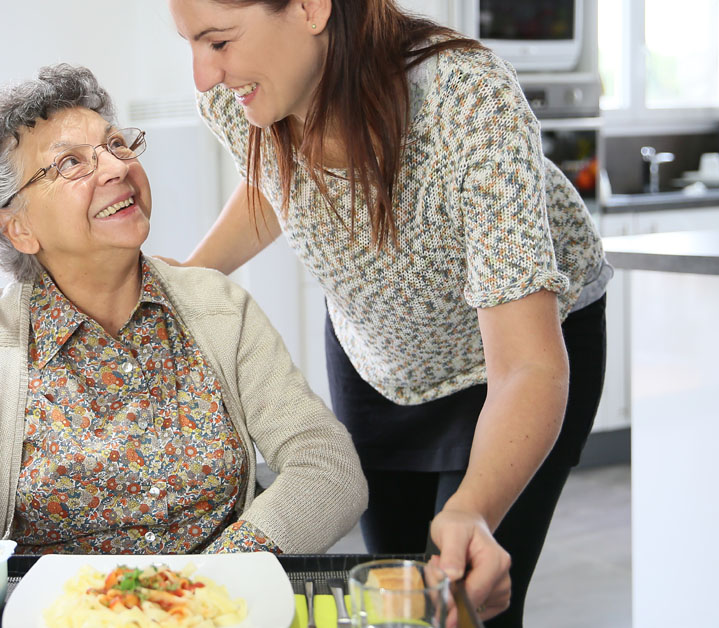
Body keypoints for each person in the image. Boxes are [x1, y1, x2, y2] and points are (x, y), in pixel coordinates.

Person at [0, 63, 368, 628]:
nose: (118, 167)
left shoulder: (220, 309)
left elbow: (330, 468)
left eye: (117, 146)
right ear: (19, 227)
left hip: (218, 611)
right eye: (72, 162)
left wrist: (195, 589)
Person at [164, 1, 611, 625]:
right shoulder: (238, 101)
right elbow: (274, 180)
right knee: (396, 603)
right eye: (190, 44)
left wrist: (472, 510)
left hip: (516, 364)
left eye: (217, 41)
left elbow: (528, 366)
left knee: (463, 600)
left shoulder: (465, 99)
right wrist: (189, 281)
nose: (202, 75)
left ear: (309, 8)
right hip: (375, 355)